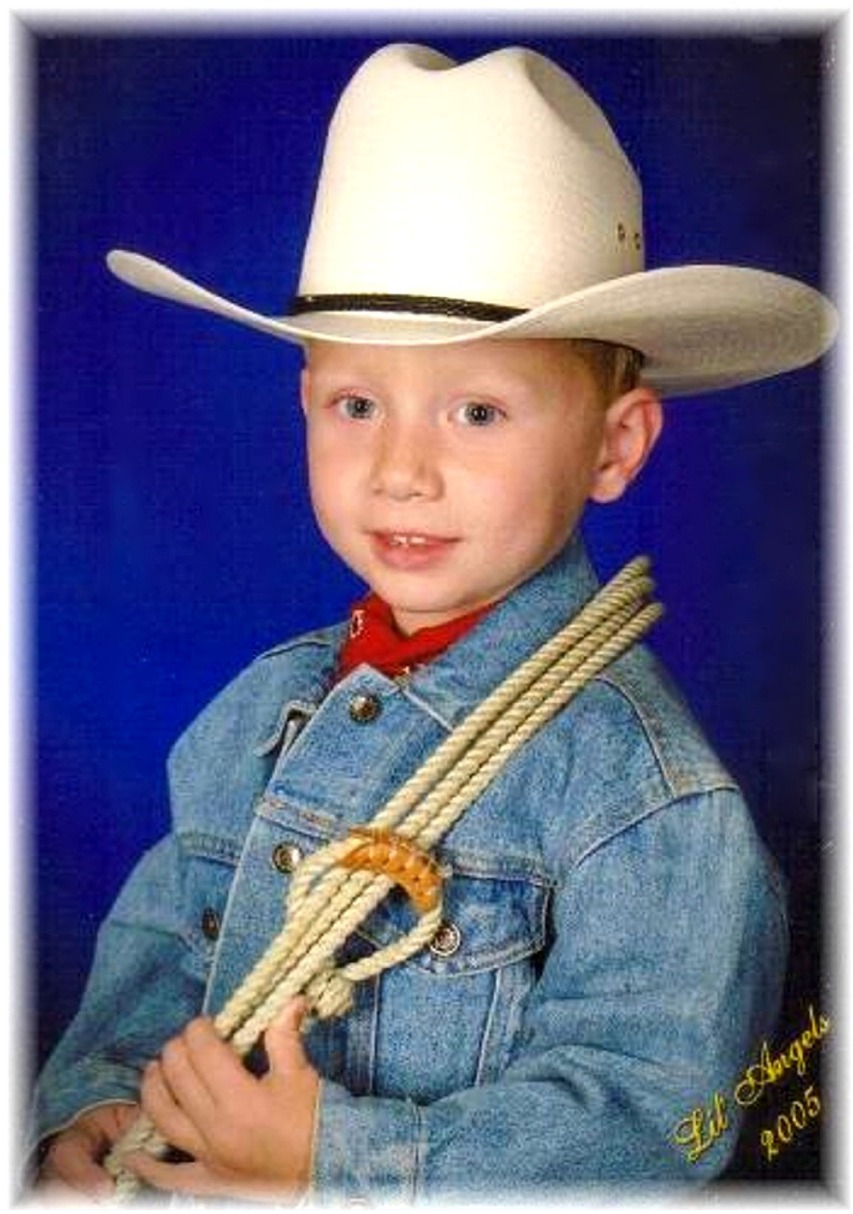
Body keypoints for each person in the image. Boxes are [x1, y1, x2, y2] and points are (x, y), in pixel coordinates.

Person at [31, 42, 835, 1204]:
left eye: (477, 411)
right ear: (303, 403)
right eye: (357, 403)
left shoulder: (643, 795)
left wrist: (334, 1161)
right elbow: (159, 961)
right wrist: (95, 1100)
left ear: (613, 446)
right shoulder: (257, 710)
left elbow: (655, 1124)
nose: (400, 470)